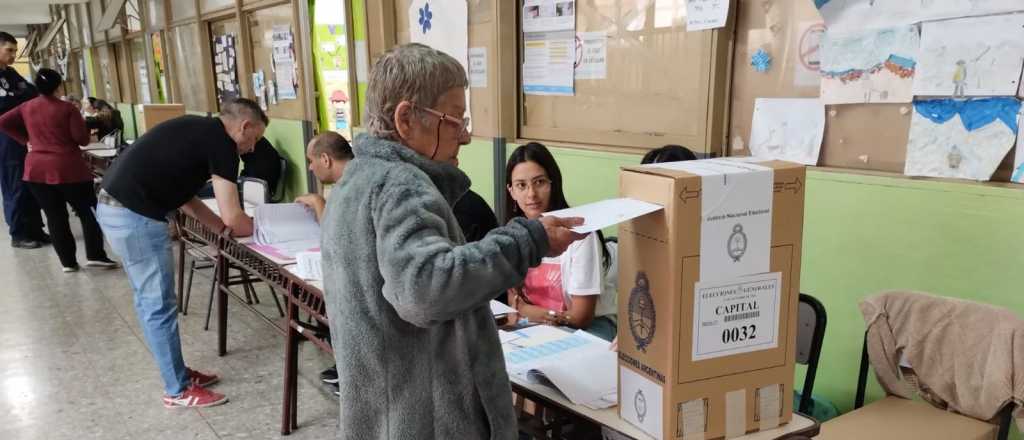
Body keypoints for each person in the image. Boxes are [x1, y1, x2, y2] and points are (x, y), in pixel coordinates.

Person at [321, 43, 584, 439]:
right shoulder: (400, 185)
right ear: (406, 118)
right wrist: (527, 239)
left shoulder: (355, 181)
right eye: (454, 120)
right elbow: (425, 289)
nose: (465, 136)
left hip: (384, 416)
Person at [95, 98, 266, 409]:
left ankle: (178, 373)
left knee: (149, 300)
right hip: (134, 217)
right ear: (245, 126)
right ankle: (177, 389)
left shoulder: (197, 128)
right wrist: (263, 227)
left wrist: (219, 230)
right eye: (254, 139)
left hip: (114, 208)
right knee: (158, 304)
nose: (252, 148)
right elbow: (234, 218)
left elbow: (185, 195)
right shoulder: (222, 144)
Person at [0, 68, 116, 272]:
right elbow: (81, 139)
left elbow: (3, 122)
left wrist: (25, 140)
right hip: (68, 169)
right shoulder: (67, 108)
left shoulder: (26, 107)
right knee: (87, 212)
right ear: (58, 86)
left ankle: (68, 263)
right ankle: (96, 255)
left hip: (35, 170)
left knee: (54, 216)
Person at [504, 142, 618, 341]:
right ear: (511, 191)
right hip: (538, 328)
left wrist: (529, 311)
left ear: (553, 183)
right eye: (521, 185)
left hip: (589, 329)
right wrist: (525, 313)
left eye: (539, 182)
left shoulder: (580, 234)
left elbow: (581, 317)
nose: (531, 194)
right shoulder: (511, 234)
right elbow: (514, 306)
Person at [0, 31, 47, 249]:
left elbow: (33, 95)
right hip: (5, 140)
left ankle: (36, 229)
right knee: (15, 184)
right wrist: (18, 102)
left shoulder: (12, 74)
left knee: (31, 182)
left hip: (24, 137)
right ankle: (18, 233)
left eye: (15, 51)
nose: (13, 55)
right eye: (9, 50)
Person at [293, 131, 352, 221]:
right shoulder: (352, 179)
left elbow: (335, 233)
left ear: (325, 159)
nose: (310, 168)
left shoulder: (355, 189)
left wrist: (317, 202)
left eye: (311, 161)